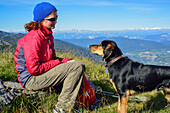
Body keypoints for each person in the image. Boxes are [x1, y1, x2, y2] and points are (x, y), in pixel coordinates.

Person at [14, 2, 86, 113]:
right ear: (42, 19)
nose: (56, 22)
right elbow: (34, 69)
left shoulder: (47, 35)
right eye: (52, 19)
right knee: (76, 67)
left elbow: (50, 59)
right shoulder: (34, 38)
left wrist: (63, 61)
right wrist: (58, 62)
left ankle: (83, 99)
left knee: (74, 64)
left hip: (40, 75)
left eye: (56, 18)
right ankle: (62, 108)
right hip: (30, 79)